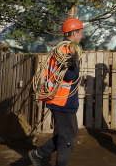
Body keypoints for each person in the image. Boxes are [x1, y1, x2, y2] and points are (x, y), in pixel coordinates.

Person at [29, 18, 84, 166]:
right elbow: (69, 76)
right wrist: (75, 64)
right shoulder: (68, 51)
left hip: (59, 99)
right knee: (68, 139)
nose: (82, 35)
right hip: (62, 101)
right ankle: (41, 155)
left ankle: (38, 153)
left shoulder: (61, 49)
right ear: (74, 32)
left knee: (64, 135)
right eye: (81, 32)